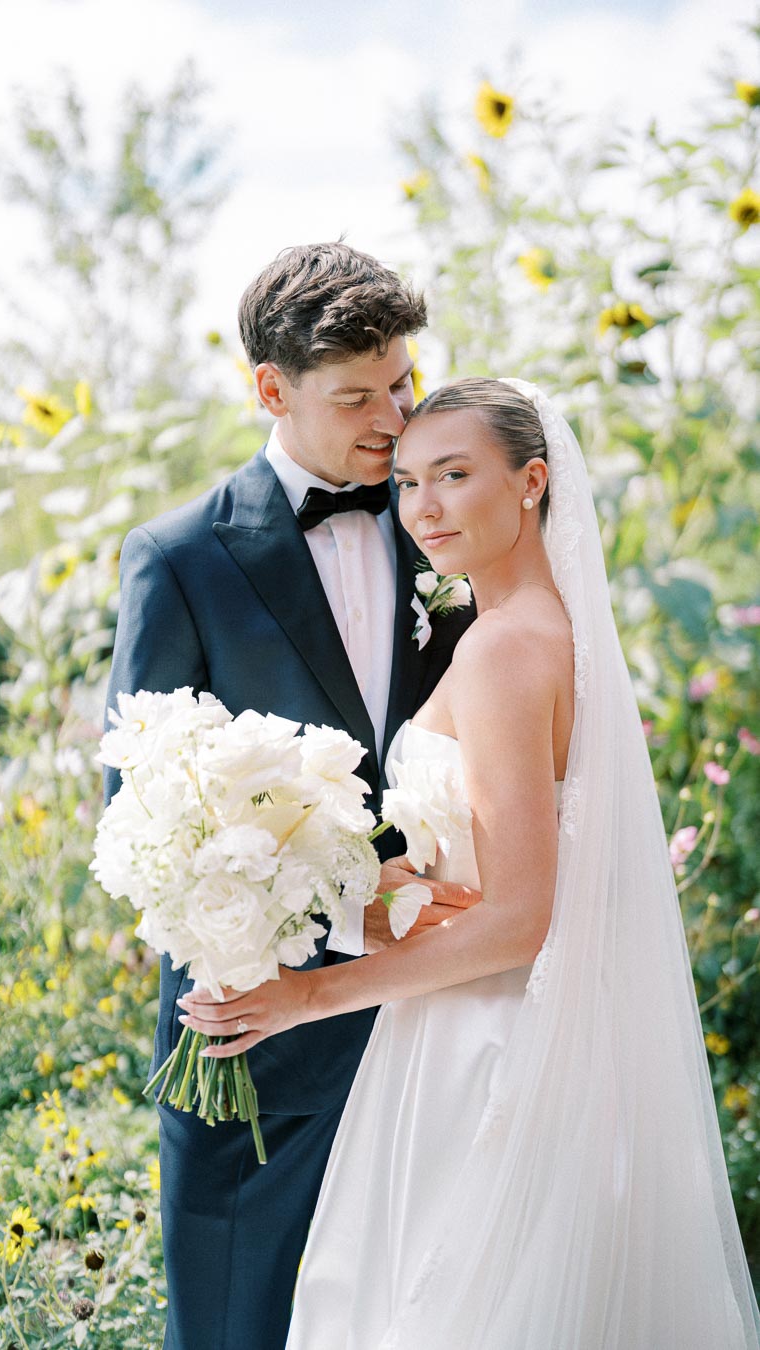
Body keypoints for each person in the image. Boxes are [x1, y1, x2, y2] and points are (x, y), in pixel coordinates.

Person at [180, 378, 760, 1349]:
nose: (425, 508)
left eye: (455, 475)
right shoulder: (545, 636)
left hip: (483, 1049)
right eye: (408, 481)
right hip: (509, 1028)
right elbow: (526, 888)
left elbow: (520, 920)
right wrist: (376, 896)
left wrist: (306, 995)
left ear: (533, 480)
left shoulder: (502, 652)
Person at [102, 242, 474, 1350]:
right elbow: (146, 814)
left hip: (438, 1022)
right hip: (255, 1045)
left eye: (403, 385)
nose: (395, 418)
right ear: (271, 389)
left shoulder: (446, 528)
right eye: (358, 396)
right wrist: (337, 912)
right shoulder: (180, 560)